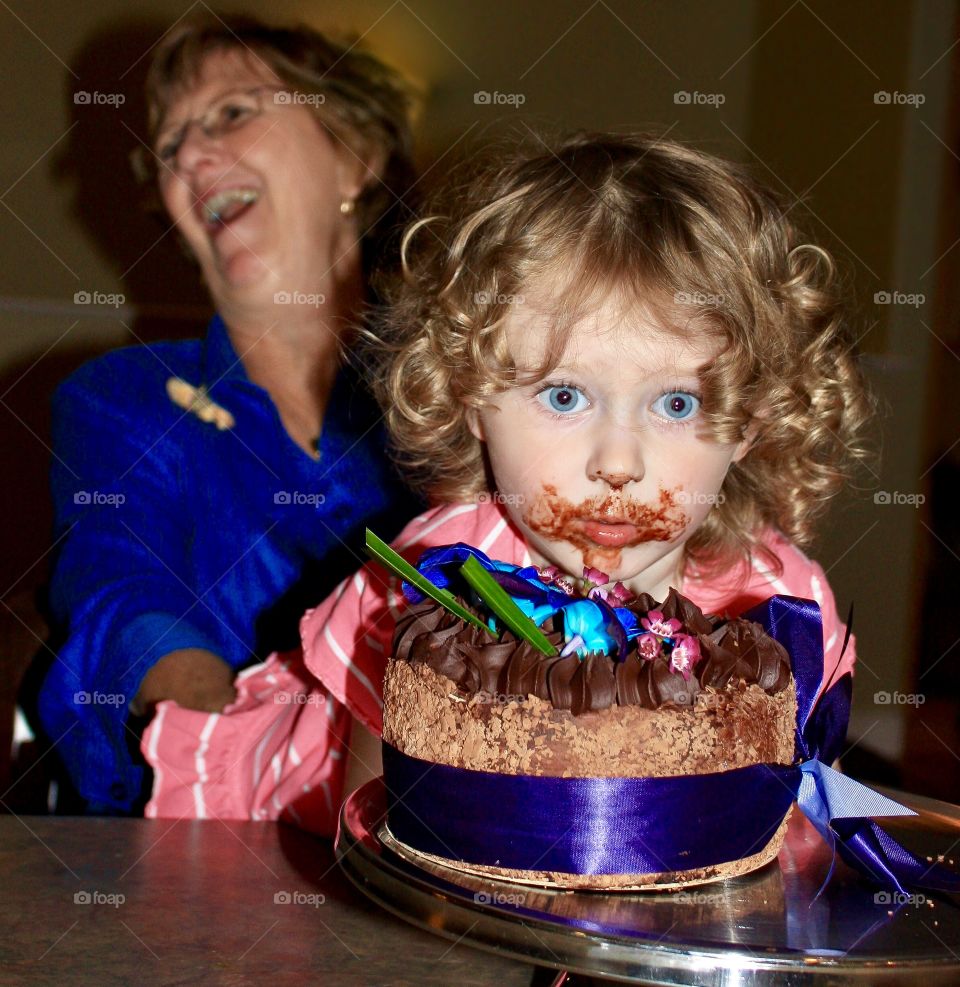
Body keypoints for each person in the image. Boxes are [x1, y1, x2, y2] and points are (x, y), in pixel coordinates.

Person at [144, 132, 872, 830]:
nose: (617, 462)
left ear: (750, 420)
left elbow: (796, 827)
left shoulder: (784, 606)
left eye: (677, 402)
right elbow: (380, 834)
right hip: (305, 834)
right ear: (472, 397)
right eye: (563, 395)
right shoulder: (437, 584)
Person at [38, 14, 420, 816]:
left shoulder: (463, 391)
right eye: (170, 146)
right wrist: (226, 762)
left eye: (232, 114)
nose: (190, 158)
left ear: (354, 152)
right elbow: (118, 589)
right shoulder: (119, 397)